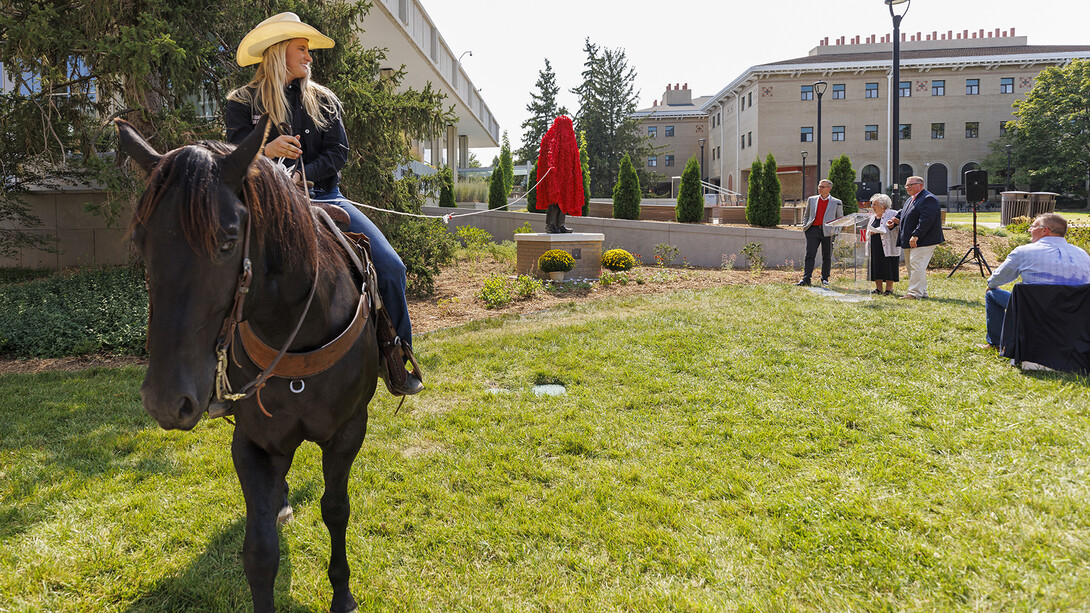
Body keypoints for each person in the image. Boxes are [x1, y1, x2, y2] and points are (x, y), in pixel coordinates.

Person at [225, 12, 423, 396]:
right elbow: (232, 156)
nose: (309, 57)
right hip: (265, 207)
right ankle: (221, 373)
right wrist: (264, 151)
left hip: (325, 198)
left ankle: (397, 355)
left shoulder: (323, 100)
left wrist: (303, 175)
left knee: (392, 268)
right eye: (302, 48)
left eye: (309, 50)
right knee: (225, 273)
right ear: (279, 51)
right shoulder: (241, 101)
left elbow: (338, 153)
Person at [981, 213, 1090, 349]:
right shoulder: (1083, 254)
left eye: (1033, 226)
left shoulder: (1024, 252)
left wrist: (991, 285)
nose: (1029, 229)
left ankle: (996, 343)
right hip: (1073, 312)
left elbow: (998, 278)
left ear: (1045, 230)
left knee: (991, 294)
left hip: (1034, 311)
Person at [886, 176, 944, 299]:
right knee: (913, 266)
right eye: (906, 185)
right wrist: (894, 222)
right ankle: (922, 292)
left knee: (917, 264)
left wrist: (916, 235)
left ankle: (914, 293)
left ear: (921, 185)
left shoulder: (928, 199)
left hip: (923, 239)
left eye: (911, 185)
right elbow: (903, 214)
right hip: (910, 239)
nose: (907, 188)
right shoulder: (911, 199)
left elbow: (926, 220)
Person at [795, 179, 843, 287]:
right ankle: (806, 279)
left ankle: (825, 279)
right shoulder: (812, 200)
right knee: (809, 255)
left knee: (827, 256)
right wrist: (805, 226)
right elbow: (806, 215)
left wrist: (835, 231)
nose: (819, 188)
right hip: (813, 230)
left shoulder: (836, 202)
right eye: (819, 186)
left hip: (828, 232)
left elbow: (840, 219)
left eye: (822, 187)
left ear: (829, 188)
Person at [865, 193, 901, 295]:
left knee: (889, 266)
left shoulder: (892, 213)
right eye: (872, 204)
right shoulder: (873, 217)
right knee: (876, 266)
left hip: (888, 246)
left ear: (883, 205)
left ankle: (889, 289)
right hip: (875, 246)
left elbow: (897, 226)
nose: (872, 207)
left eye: (875, 204)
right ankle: (878, 288)